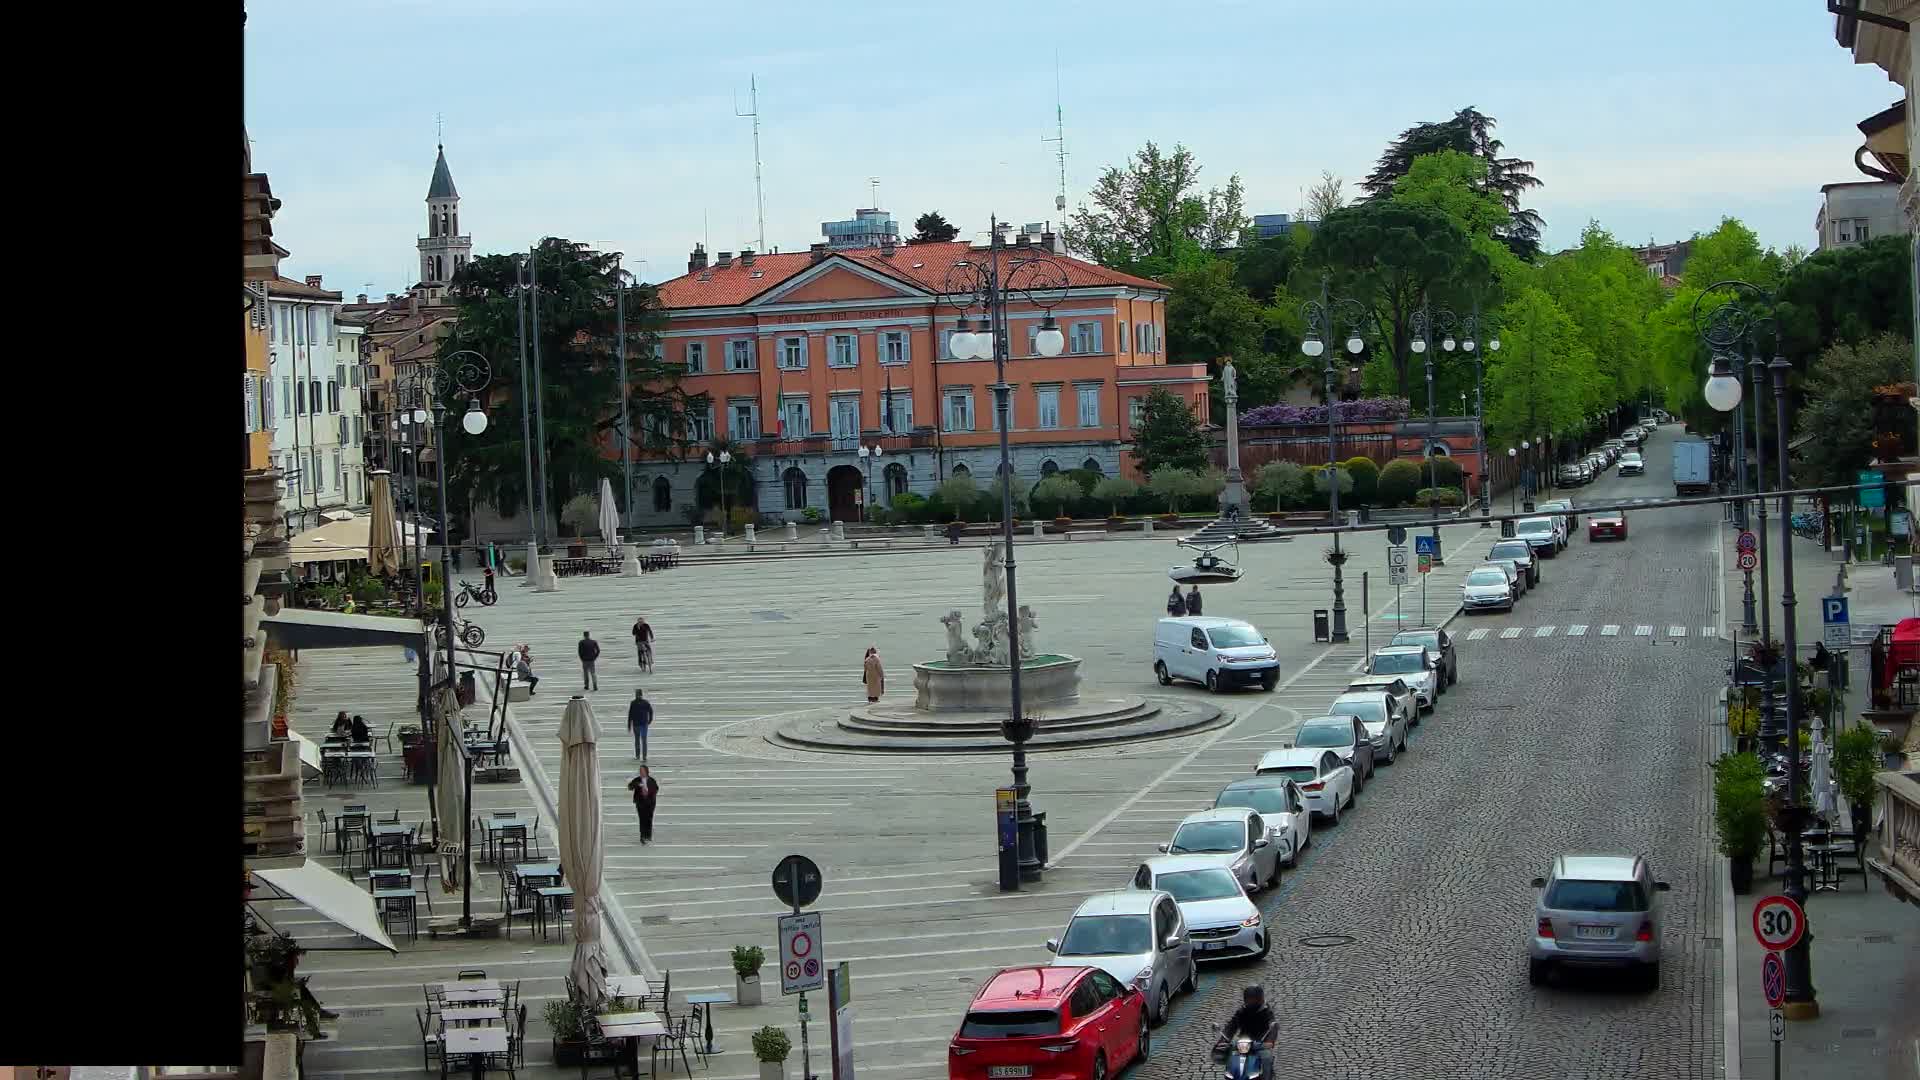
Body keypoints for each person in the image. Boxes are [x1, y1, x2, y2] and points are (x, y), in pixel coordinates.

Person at [1219, 985, 1276, 1051]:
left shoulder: (1267, 1012)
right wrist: (1223, 1039)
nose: (1251, 1001)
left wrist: (1270, 1041)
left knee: (1266, 1056)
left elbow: (1273, 1025)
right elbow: (1231, 1025)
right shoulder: (1242, 1011)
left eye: (1253, 999)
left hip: (1261, 1044)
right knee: (1225, 1055)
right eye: (1249, 999)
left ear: (1260, 999)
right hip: (1243, 1043)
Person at [627, 766, 659, 845]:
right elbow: (630, 787)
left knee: (649, 818)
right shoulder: (637, 780)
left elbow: (656, 789)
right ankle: (642, 836)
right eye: (640, 771)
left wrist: (649, 792)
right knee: (642, 819)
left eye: (643, 771)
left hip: (650, 803)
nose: (641, 772)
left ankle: (648, 835)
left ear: (646, 771)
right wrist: (638, 785)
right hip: (640, 803)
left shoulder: (651, 780)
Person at [628, 689, 653, 762]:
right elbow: (651, 711)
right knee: (641, 740)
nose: (638, 696)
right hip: (641, 724)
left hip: (640, 725)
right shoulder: (644, 702)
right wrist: (650, 720)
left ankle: (640, 756)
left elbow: (630, 714)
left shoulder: (635, 703)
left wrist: (629, 724)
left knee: (640, 740)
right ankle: (641, 756)